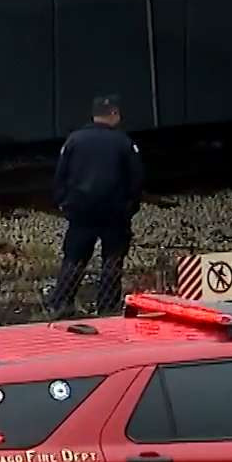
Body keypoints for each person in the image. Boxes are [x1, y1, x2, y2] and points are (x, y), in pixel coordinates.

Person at [45, 95, 143, 320]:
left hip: (81, 210)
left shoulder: (74, 140)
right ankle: (107, 306)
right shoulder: (123, 142)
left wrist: (64, 202)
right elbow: (136, 178)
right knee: (113, 258)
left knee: (74, 257)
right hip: (115, 212)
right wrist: (130, 206)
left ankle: (61, 302)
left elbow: (61, 175)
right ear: (114, 114)